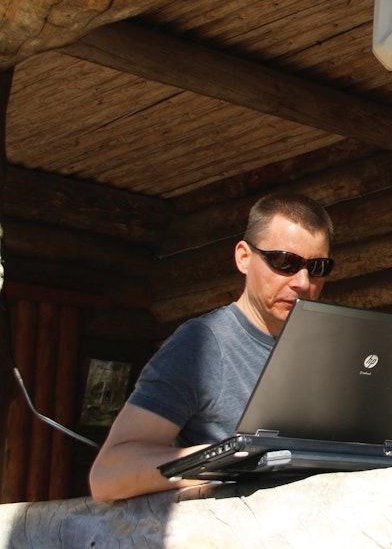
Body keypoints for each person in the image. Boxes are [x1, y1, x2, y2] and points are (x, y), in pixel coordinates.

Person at [88, 193, 335, 502]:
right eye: (285, 262)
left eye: (318, 267)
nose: (303, 282)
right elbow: (109, 473)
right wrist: (229, 459)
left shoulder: (331, 349)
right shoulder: (201, 345)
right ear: (243, 257)